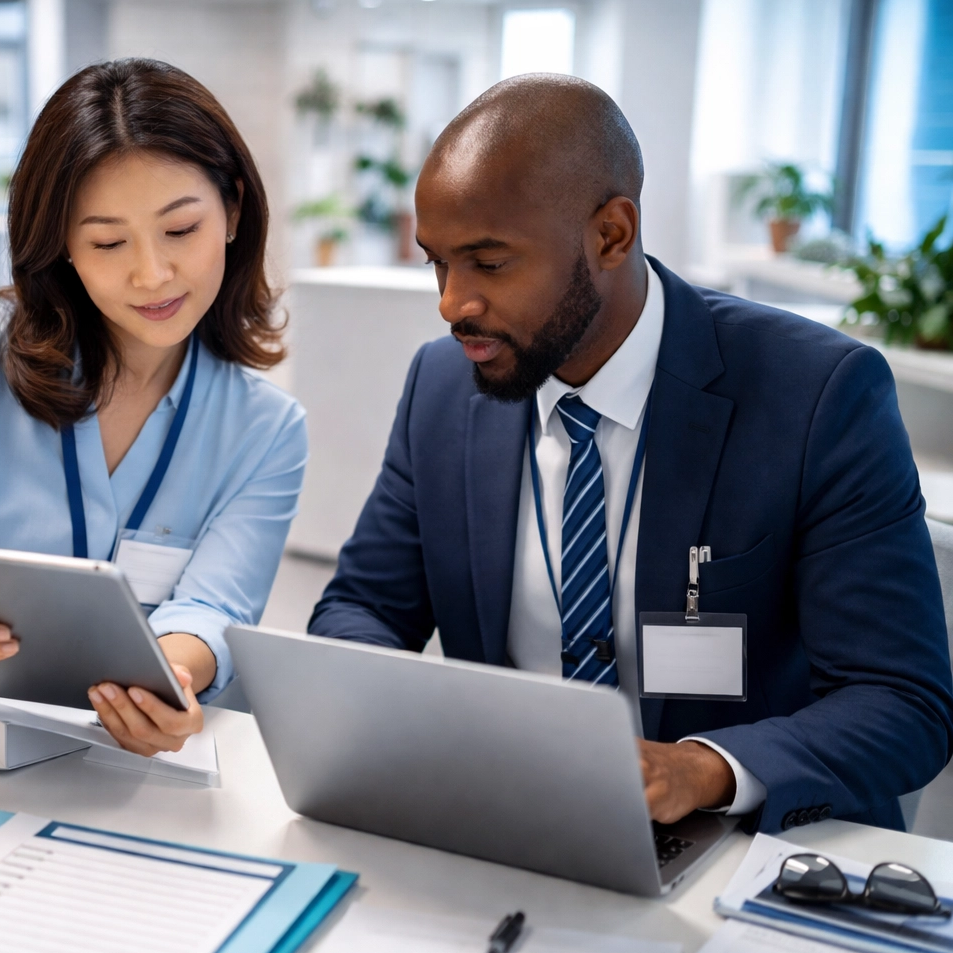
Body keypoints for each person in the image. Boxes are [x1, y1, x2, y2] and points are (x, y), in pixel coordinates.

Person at [310, 73, 953, 834]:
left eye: (489, 263)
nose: (452, 304)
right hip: (515, 828)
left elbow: (902, 701)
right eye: (438, 264)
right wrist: (413, 723)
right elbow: (361, 607)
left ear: (611, 234)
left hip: (739, 845)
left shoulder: (815, 394)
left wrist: (700, 770)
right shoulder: (444, 388)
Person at [0, 59, 306, 757]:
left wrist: (170, 678)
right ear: (63, 247)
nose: (152, 274)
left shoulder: (267, 430)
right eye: (107, 242)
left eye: (181, 230)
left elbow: (214, 609)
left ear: (233, 212)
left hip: (139, 762)